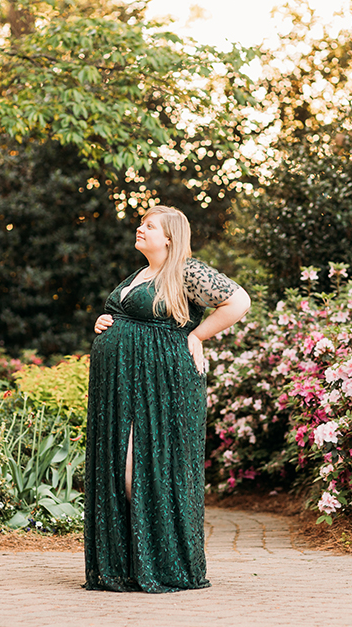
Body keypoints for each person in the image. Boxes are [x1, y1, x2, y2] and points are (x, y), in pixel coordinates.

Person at [84, 205, 251, 593]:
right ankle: (128, 566)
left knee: (149, 471)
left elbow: (238, 301)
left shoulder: (186, 271)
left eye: (149, 226)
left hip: (163, 385)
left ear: (170, 237)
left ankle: (165, 564)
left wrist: (198, 335)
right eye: (141, 224)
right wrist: (105, 322)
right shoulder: (141, 273)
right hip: (122, 386)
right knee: (119, 470)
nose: (140, 229)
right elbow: (130, 316)